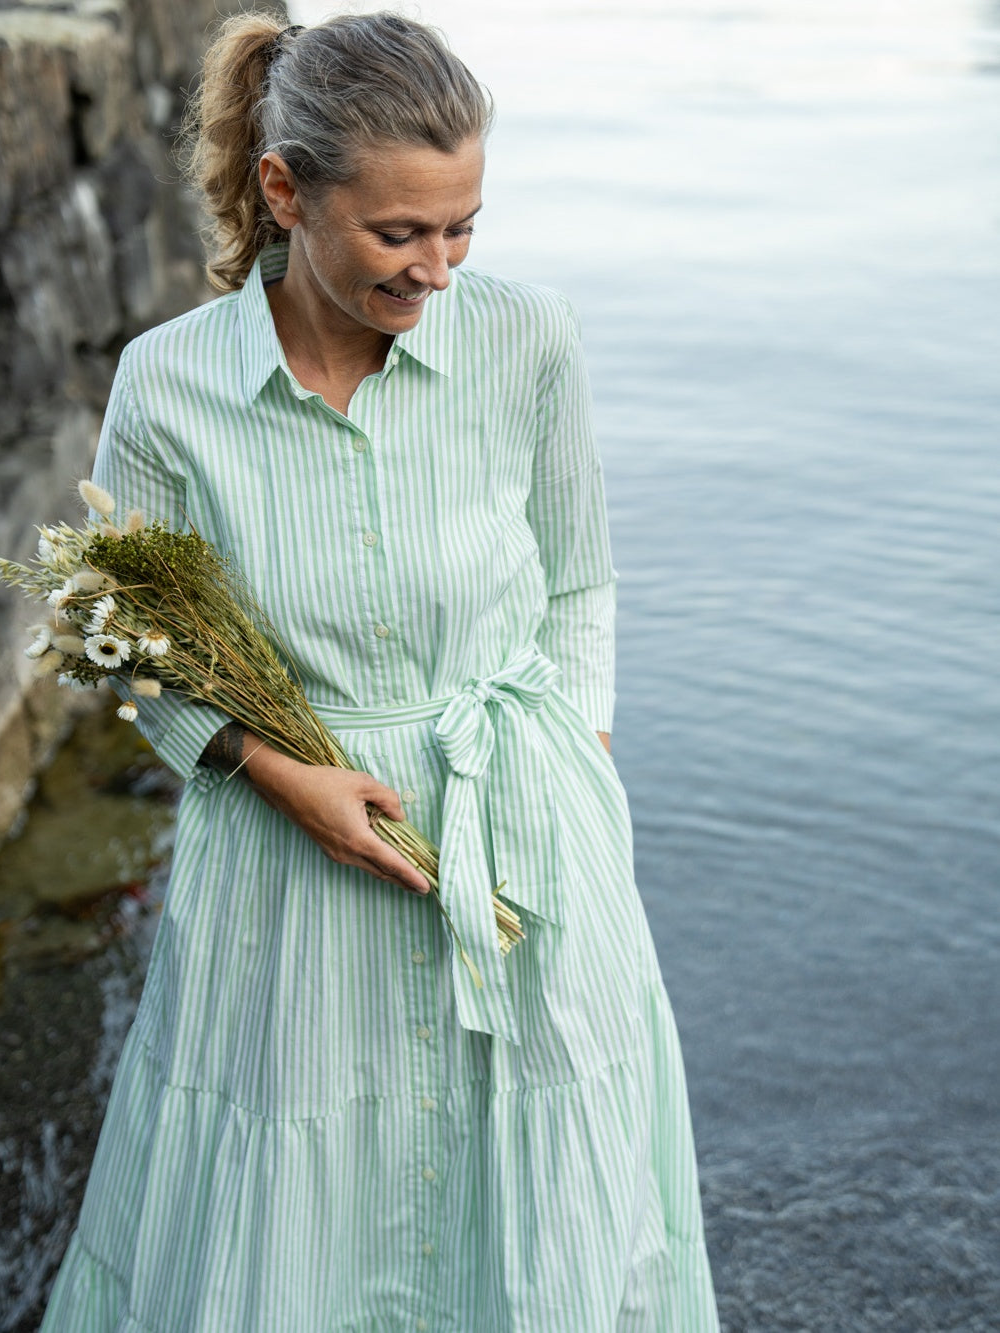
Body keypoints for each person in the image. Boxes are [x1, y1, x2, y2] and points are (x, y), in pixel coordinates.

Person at [40, 11, 720, 1331]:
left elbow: (579, 582)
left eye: (463, 227)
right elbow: (120, 632)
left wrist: (574, 772)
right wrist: (272, 768)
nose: (439, 270)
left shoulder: (530, 340)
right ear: (285, 191)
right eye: (400, 233)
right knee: (298, 1182)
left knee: (540, 1170)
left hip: (523, 833)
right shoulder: (169, 386)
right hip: (288, 857)